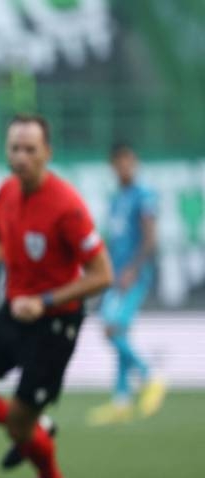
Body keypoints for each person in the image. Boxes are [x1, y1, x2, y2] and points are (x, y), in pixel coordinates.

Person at [0, 114, 113, 478]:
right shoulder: (6, 192)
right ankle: (38, 426)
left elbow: (102, 275)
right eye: (15, 148)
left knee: (19, 426)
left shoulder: (67, 206)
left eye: (30, 149)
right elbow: (0, 239)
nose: (21, 156)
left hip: (55, 322)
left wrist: (46, 301)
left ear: (47, 153)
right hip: (14, 310)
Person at [86, 143, 166, 426]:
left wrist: (133, 268)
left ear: (134, 162)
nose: (124, 167)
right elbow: (112, 238)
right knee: (118, 330)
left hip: (133, 275)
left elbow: (150, 236)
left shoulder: (144, 195)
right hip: (115, 274)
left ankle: (149, 376)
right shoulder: (117, 198)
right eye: (118, 163)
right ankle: (121, 400)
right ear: (113, 166)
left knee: (110, 328)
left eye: (128, 162)